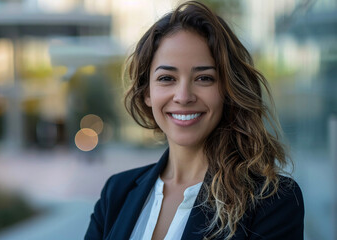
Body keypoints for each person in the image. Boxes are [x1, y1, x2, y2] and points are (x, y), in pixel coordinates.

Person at [85, 1, 304, 239]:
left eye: (204, 78)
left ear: (227, 90)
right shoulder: (116, 193)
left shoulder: (273, 201)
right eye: (167, 78)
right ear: (147, 92)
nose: (183, 96)